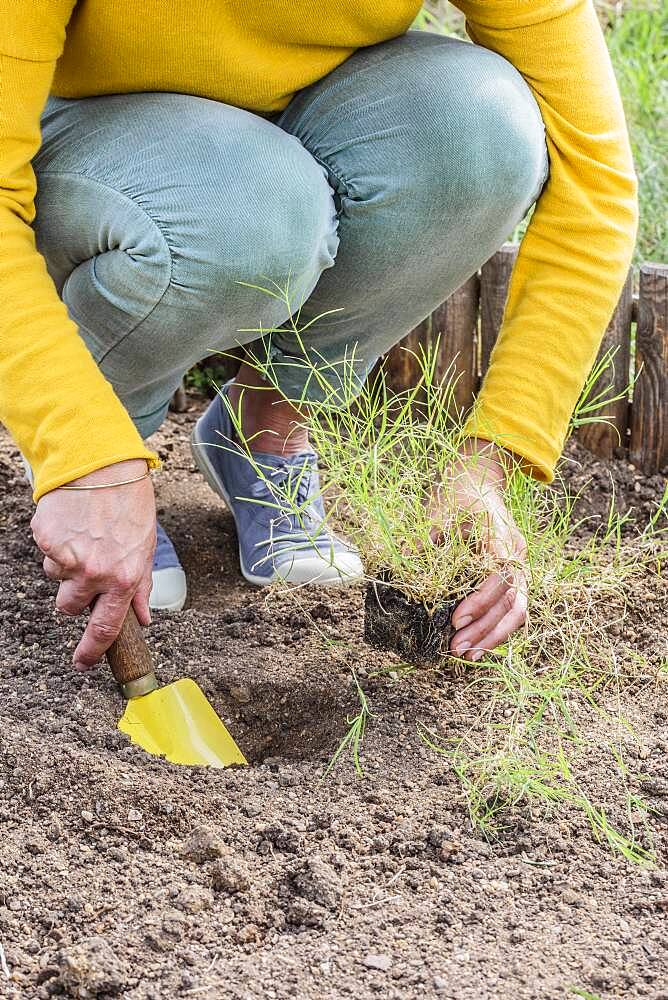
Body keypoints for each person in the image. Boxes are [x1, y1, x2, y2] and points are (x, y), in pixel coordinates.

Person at [0, 2, 637, 670]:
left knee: (481, 133)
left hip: (299, 114)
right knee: (254, 210)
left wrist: (490, 463)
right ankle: (113, 444)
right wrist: (82, 451)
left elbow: (594, 183)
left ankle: (263, 428)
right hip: (80, 129)